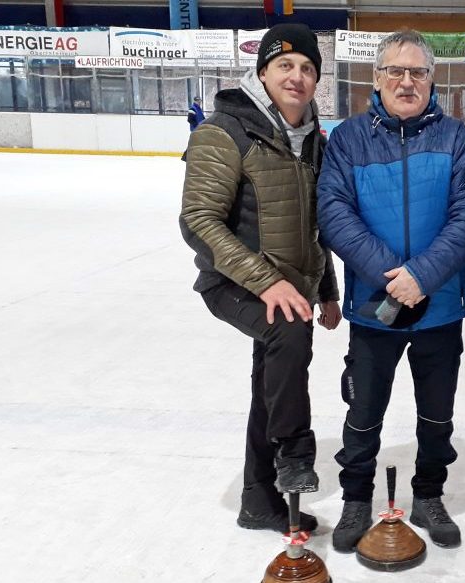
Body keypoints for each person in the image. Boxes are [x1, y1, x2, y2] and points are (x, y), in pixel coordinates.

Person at [316, 29, 465, 552]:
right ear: (377, 78)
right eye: (396, 71)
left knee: (437, 413)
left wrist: (423, 277)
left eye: (417, 72)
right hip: (375, 309)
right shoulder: (347, 139)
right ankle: (355, 500)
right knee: (363, 412)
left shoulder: (456, 137)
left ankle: (429, 495)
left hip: (438, 308)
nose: (406, 81)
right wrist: (395, 275)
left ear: (432, 79)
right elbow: (334, 213)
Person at [179, 23, 341, 534]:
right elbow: (198, 220)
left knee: (270, 385)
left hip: (292, 282)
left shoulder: (315, 141)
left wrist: (328, 291)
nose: (297, 76)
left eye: (308, 68)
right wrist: (266, 283)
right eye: (285, 65)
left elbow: (315, 227)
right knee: (288, 332)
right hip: (231, 282)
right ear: (263, 71)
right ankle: (293, 451)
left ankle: (259, 500)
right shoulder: (224, 132)